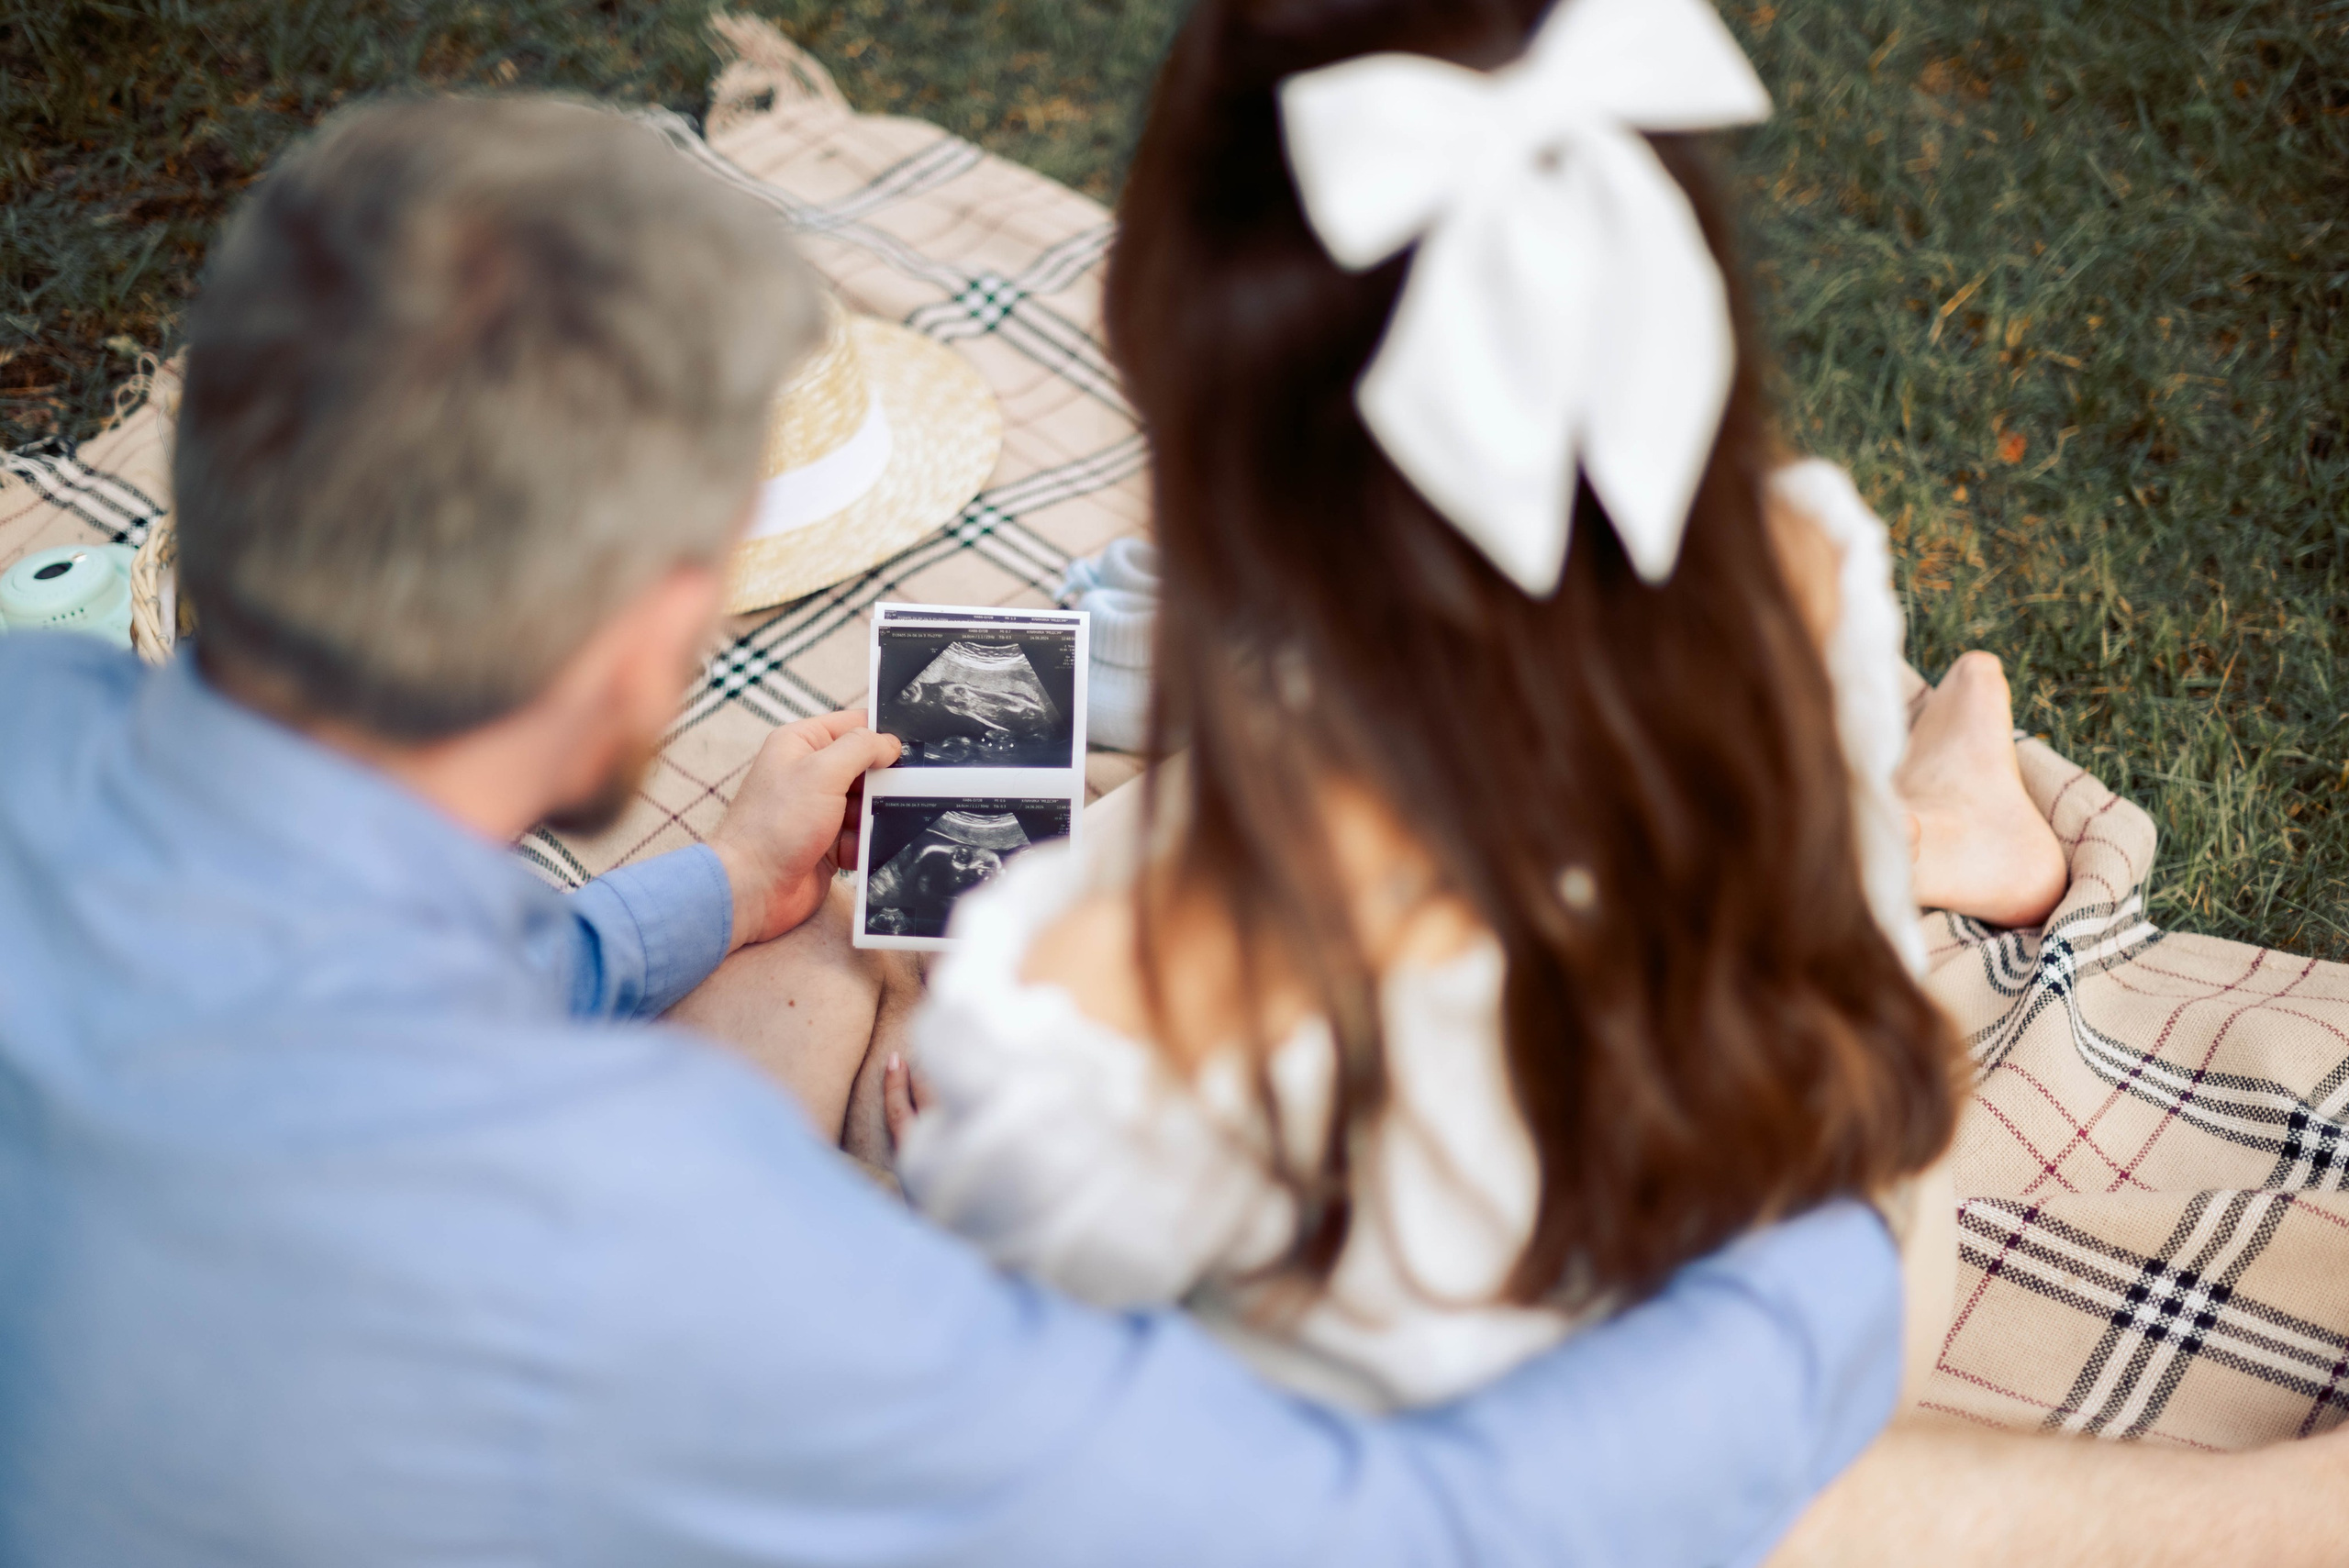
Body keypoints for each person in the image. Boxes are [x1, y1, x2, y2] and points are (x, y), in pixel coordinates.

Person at [0, 93, 1906, 1567]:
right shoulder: (669, 1231)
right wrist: (1837, 1248)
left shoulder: (34, 719)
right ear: (657, 637)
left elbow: (309, 923)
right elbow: (1385, 1536)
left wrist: (705, 895)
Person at [874, 0, 2025, 1414]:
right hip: (1845, 1309)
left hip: (1503, 1472)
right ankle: (1948, 824)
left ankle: (1948, 826)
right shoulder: (1803, 565)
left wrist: (964, 1054)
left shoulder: (1130, 994)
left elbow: (1005, 1298)